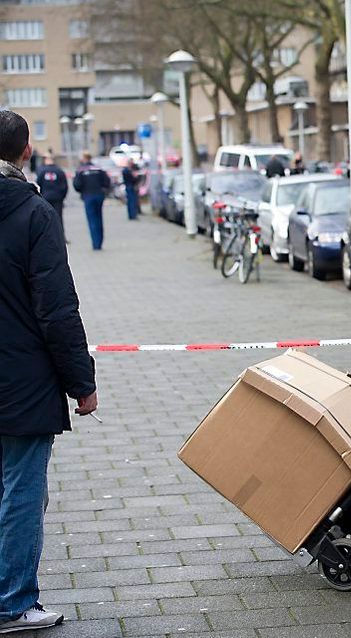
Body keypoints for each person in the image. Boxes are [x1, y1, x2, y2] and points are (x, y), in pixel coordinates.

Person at [0, 109, 97, 634]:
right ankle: (12, 603)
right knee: (20, 491)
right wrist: (81, 382)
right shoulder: (34, 214)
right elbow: (56, 308)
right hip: (21, 380)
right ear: (24, 152)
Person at [72, 152, 111, 250]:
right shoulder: (98, 168)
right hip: (99, 195)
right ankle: (100, 241)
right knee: (99, 218)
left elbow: (77, 185)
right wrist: (103, 189)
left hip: (88, 196)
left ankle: (96, 244)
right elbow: (107, 182)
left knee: (92, 220)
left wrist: (82, 191)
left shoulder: (80, 170)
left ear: (83, 158)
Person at [35, 155, 68, 242]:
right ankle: (61, 238)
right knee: (59, 217)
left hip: (46, 197)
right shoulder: (59, 171)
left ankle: (48, 238)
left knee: (46, 217)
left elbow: (38, 183)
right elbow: (64, 186)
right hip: (57, 198)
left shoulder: (42, 171)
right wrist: (62, 196)